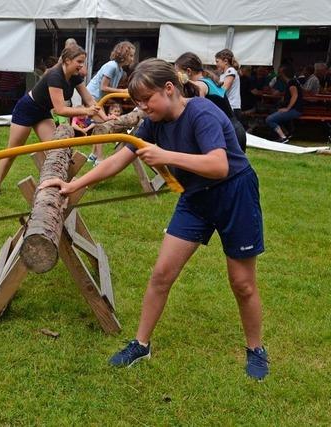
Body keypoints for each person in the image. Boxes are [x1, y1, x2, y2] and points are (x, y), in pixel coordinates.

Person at [40, 58, 268, 381]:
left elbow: (220, 165)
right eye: (138, 103)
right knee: (161, 273)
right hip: (196, 197)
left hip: (235, 194)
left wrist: (165, 156)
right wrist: (73, 185)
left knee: (242, 284)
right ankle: (141, 344)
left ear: (170, 89)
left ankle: (256, 350)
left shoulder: (201, 114)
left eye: (147, 100)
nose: (143, 108)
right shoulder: (153, 121)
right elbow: (121, 157)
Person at [0, 45, 107, 197]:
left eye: (83, 62)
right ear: (67, 61)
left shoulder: (75, 76)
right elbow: (60, 110)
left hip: (42, 112)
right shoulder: (55, 76)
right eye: (79, 61)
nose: (82, 66)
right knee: (12, 151)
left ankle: (56, 184)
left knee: (55, 148)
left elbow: (90, 100)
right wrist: (86, 111)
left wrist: (105, 117)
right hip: (27, 109)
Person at [175, 52, 247, 152]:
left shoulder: (202, 84)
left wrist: (185, 80)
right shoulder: (208, 80)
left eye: (178, 73)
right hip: (234, 131)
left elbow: (199, 90)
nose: (178, 78)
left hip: (230, 135)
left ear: (188, 71)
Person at [86, 41, 136, 163]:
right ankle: (99, 158)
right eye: (131, 55)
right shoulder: (112, 66)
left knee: (100, 125)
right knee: (102, 126)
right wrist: (122, 91)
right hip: (91, 97)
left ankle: (93, 155)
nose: (132, 58)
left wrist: (122, 95)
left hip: (99, 100)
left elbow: (108, 91)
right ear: (123, 54)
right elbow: (103, 87)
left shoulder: (119, 70)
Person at [265, 64, 303, 143]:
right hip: (295, 109)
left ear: (283, 73)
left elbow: (294, 96)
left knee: (269, 119)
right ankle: (287, 133)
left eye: (280, 72)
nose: (279, 74)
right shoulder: (292, 82)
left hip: (295, 110)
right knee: (274, 111)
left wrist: (287, 108)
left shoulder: (292, 83)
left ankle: (283, 137)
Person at [215, 49, 242, 122]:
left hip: (232, 107)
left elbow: (223, 89)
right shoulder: (224, 73)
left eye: (217, 61)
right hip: (228, 107)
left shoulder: (231, 71)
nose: (216, 64)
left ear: (225, 61)